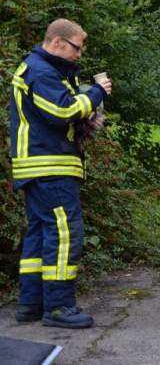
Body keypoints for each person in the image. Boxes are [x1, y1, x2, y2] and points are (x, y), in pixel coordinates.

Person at [10, 18, 111, 328]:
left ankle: (31, 304)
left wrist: (86, 118)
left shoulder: (41, 70)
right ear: (57, 42)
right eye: (76, 48)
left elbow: (56, 113)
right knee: (64, 234)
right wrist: (96, 94)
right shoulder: (42, 72)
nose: (79, 55)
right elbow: (61, 111)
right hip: (50, 166)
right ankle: (59, 307)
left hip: (39, 166)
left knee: (40, 234)